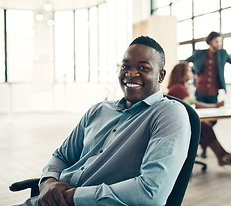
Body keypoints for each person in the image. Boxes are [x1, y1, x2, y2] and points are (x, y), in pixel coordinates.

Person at [18, 36, 191, 206]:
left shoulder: (169, 113)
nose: (130, 73)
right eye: (125, 66)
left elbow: (151, 192)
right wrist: (48, 182)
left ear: (160, 76)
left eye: (143, 67)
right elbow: (62, 156)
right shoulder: (99, 110)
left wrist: (73, 197)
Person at [167, 62, 231, 166]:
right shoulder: (178, 88)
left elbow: (194, 104)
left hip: (179, 124)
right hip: (178, 127)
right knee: (205, 126)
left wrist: (216, 105)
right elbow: (196, 104)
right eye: (188, 70)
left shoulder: (180, 87)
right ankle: (222, 156)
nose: (191, 73)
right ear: (181, 73)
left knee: (205, 125)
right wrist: (216, 105)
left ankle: (222, 155)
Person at [185, 31, 231, 105]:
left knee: (213, 114)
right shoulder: (199, 53)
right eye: (216, 41)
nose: (219, 44)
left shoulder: (223, 54)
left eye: (220, 41)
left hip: (213, 92)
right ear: (210, 42)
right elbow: (184, 63)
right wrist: (193, 72)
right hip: (200, 91)